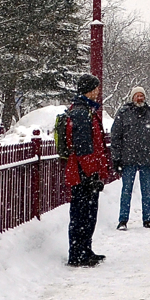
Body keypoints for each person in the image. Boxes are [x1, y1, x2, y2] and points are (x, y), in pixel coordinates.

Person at [64, 74, 110, 267]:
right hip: (83, 173)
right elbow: (84, 148)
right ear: (89, 90)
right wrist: (92, 174)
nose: (98, 92)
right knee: (83, 213)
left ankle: (83, 249)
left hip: (81, 171)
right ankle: (78, 253)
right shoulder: (83, 113)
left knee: (85, 213)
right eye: (95, 88)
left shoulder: (83, 111)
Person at [110, 85, 150, 230]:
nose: (140, 98)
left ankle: (147, 219)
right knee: (126, 190)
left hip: (147, 159)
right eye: (137, 95)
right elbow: (115, 136)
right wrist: (116, 158)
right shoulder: (123, 113)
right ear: (132, 97)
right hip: (128, 159)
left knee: (146, 190)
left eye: (142, 95)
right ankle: (123, 220)